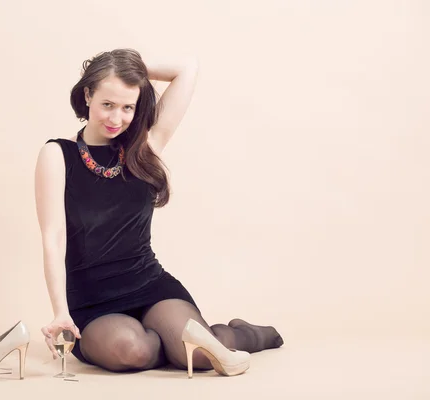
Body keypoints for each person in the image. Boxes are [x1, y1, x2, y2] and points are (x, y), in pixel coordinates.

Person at [34, 48, 283, 377]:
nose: (116, 118)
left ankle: (241, 333)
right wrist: (60, 312)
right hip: (92, 302)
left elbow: (187, 68)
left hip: (150, 287)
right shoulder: (57, 154)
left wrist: (126, 67)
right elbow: (53, 238)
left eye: (127, 107)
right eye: (107, 104)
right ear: (88, 95)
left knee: (202, 357)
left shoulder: (144, 146)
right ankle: (180, 340)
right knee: (132, 350)